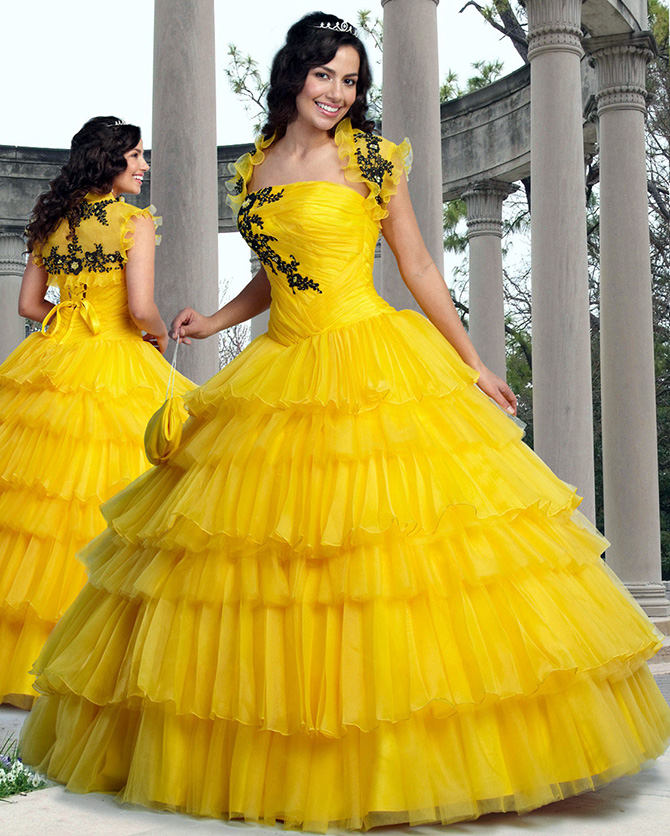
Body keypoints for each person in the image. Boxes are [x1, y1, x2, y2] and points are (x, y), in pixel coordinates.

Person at [20, 15, 670, 831]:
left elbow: (419, 264)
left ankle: (413, 751)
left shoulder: (370, 159)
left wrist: (471, 360)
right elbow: (274, 276)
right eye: (326, 75)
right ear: (293, 76)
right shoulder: (256, 168)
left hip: (368, 355)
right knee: (270, 563)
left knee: (394, 556)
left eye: (352, 80)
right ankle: (286, 751)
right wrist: (215, 320)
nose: (339, 93)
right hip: (281, 366)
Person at [0, 116, 192, 710]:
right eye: (136, 156)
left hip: (51, 359)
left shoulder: (51, 220)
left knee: (35, 503)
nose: (144, 166)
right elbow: (139, 309)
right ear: (108, 159)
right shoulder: (134, 223)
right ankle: (91, 657)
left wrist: (67, 316)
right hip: (115, 360)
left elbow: (31, 303)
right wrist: (160, 335)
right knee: (118, 496)